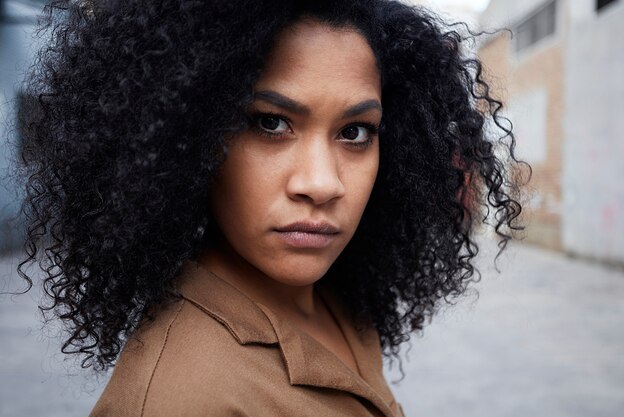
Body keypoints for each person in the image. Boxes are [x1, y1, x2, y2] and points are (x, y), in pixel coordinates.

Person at [16, 0, 527, 416]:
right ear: (190, 139)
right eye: (270, 123)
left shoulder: (336, 300)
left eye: (355, 132)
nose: (322, 184)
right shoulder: (188, 398)